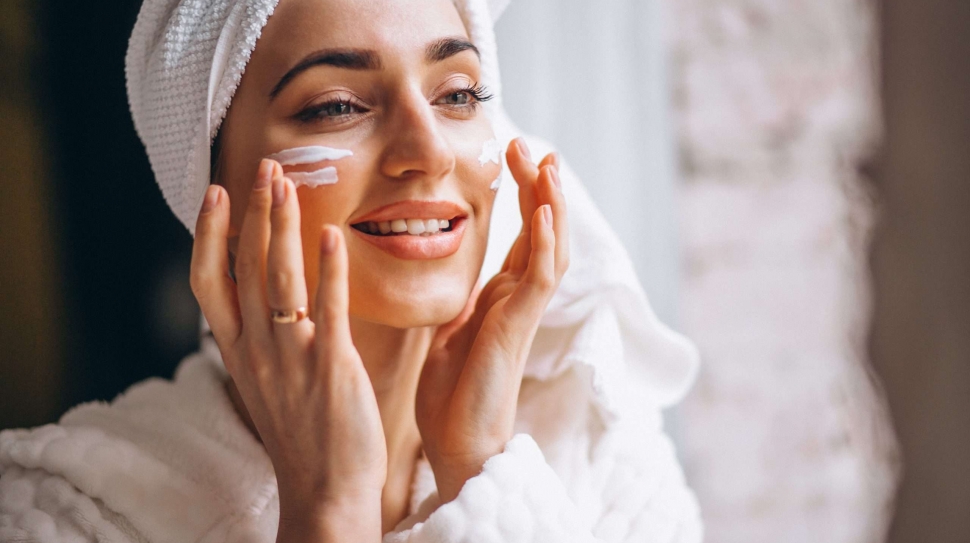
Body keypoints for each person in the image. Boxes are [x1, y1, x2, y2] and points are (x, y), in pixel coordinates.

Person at [0, 0, 703, 541]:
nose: (428, 152)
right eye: (336, 105)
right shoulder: (71, 507)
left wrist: (481, 475)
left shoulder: (609, 469)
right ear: (216, 193)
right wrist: (326, 510)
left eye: (457, 94)